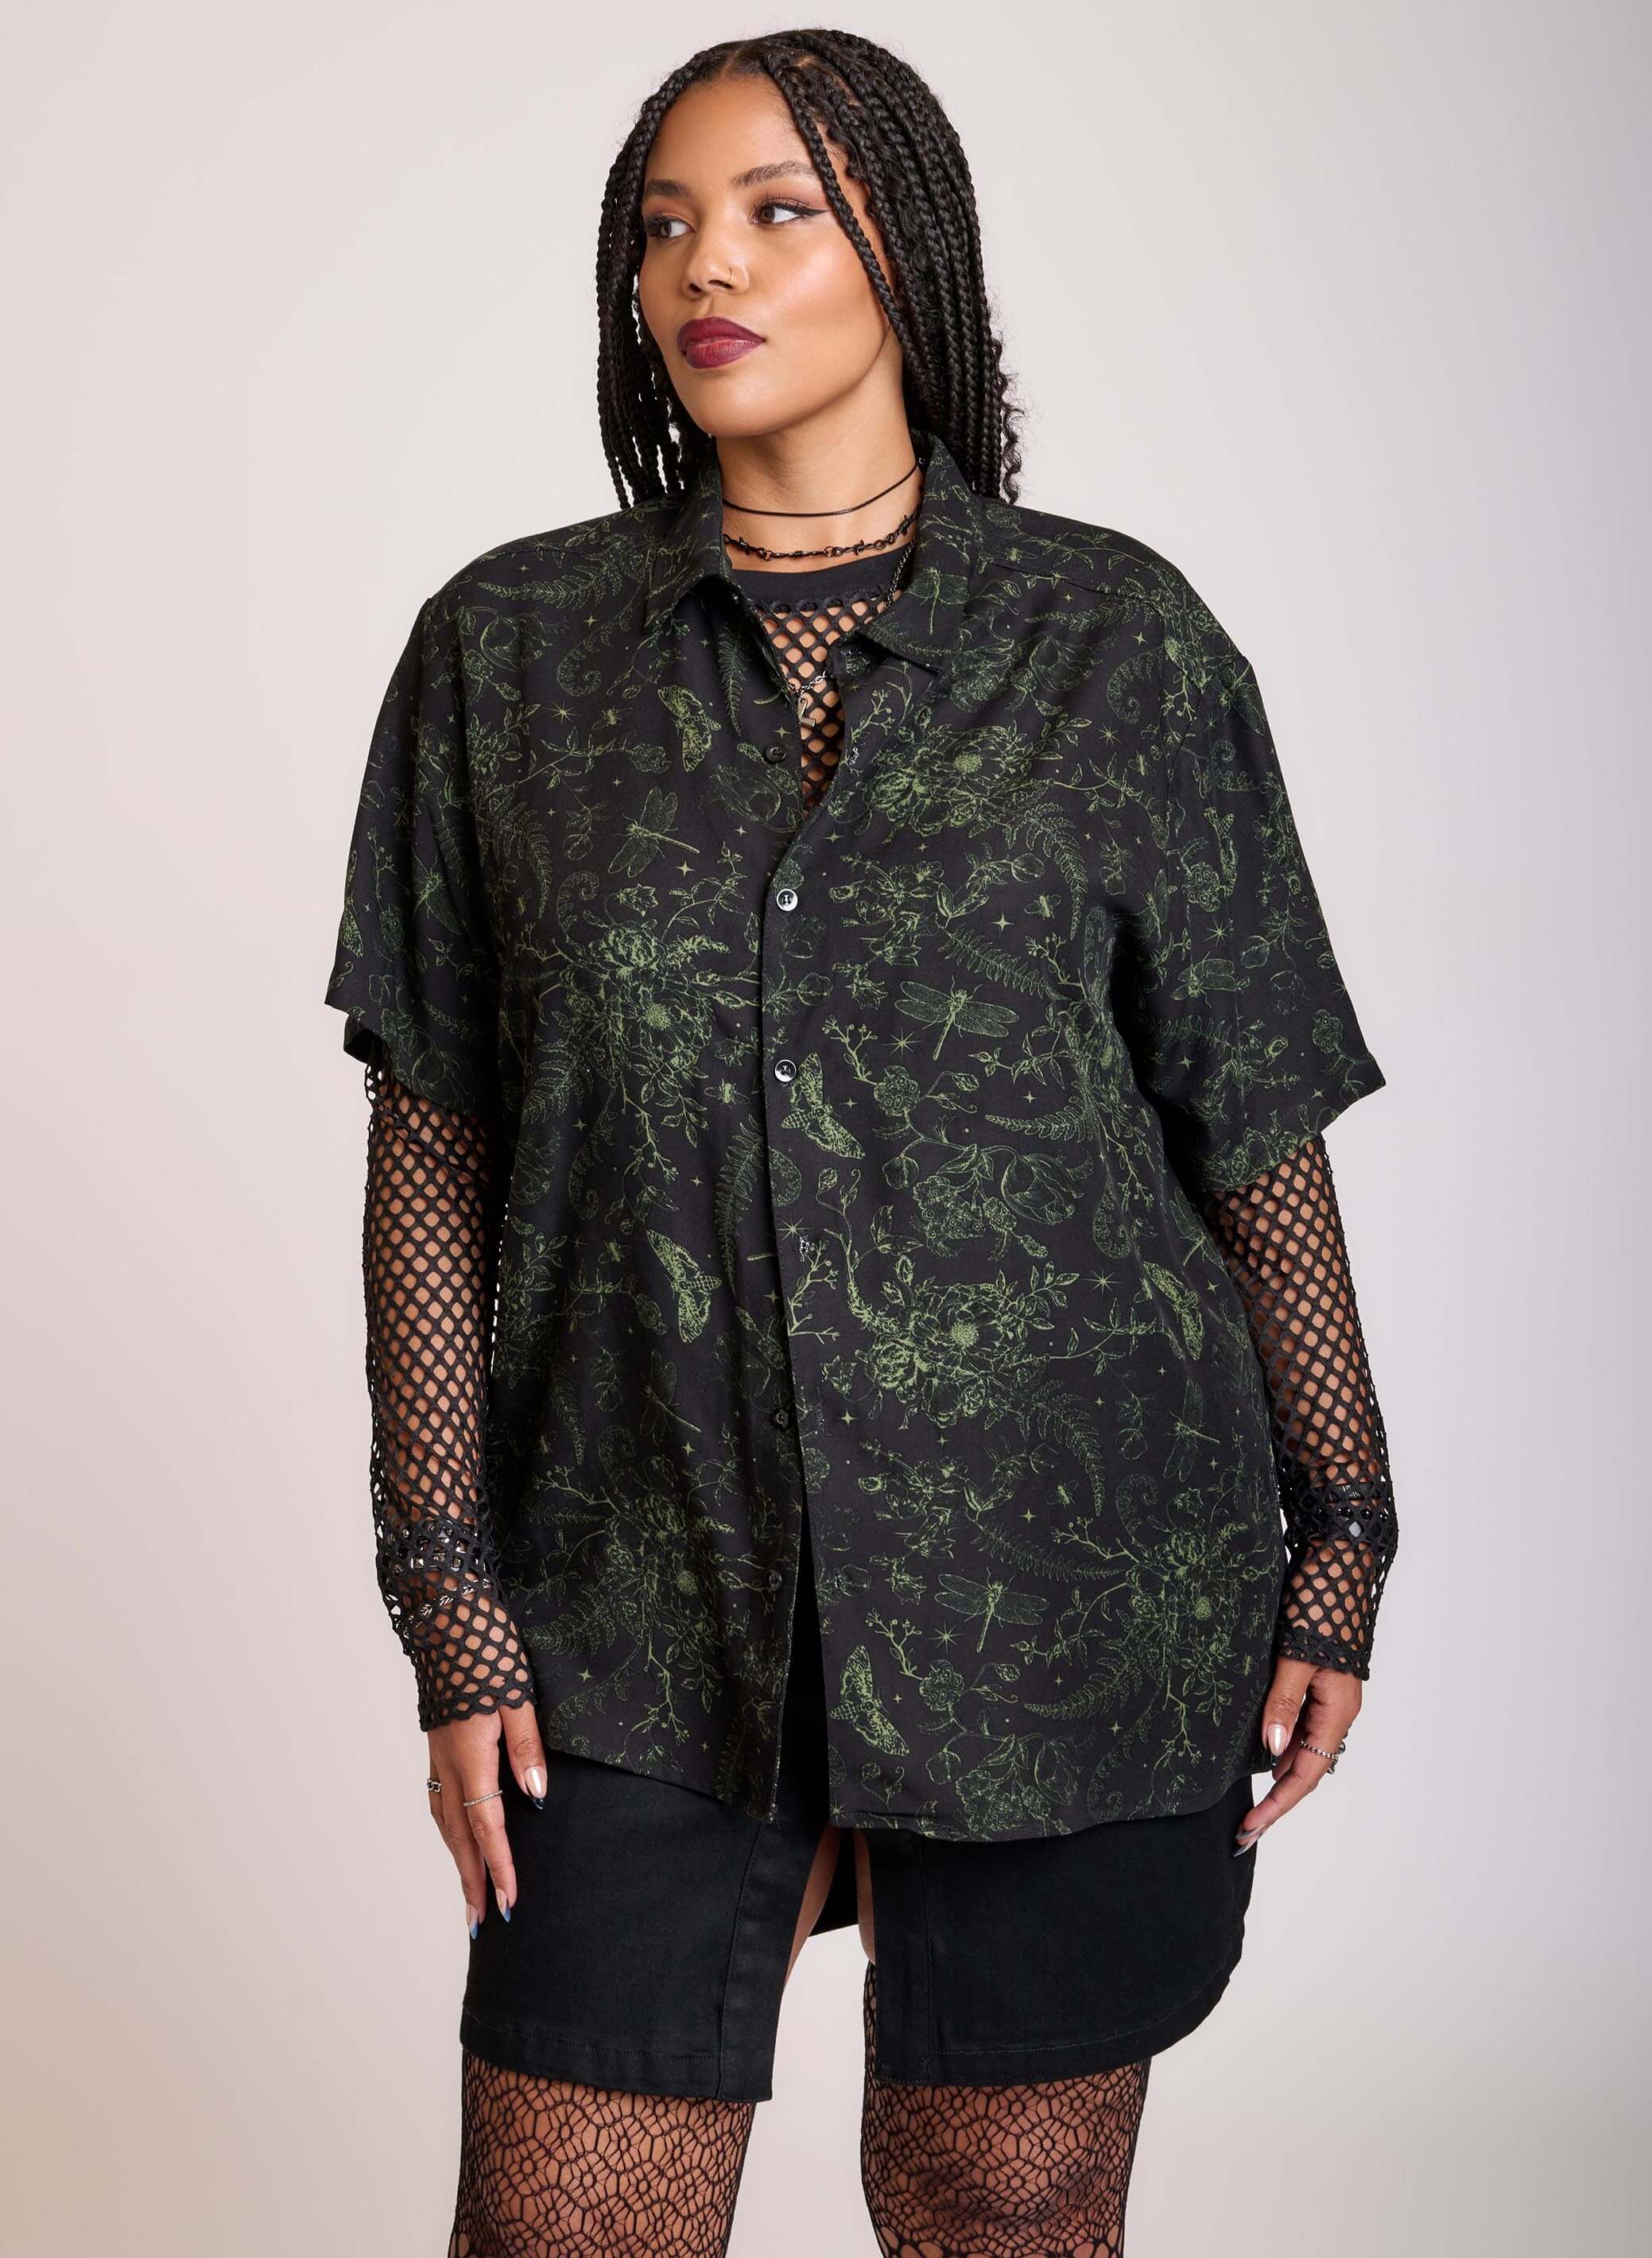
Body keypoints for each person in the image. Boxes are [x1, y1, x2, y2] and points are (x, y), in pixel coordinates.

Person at [324, 29, 1400, 2257]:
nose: (704, 266)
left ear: (906, 248)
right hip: (638, 1580)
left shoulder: (1117, 646)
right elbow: (433, 1144)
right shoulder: (507, 658)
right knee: (568, 2221)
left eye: (775, 210)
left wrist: (1344, 1529)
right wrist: (451, 1596)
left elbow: (1251, 1121)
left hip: (1069, 1578)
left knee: (1005, 2202)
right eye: (663, 226)